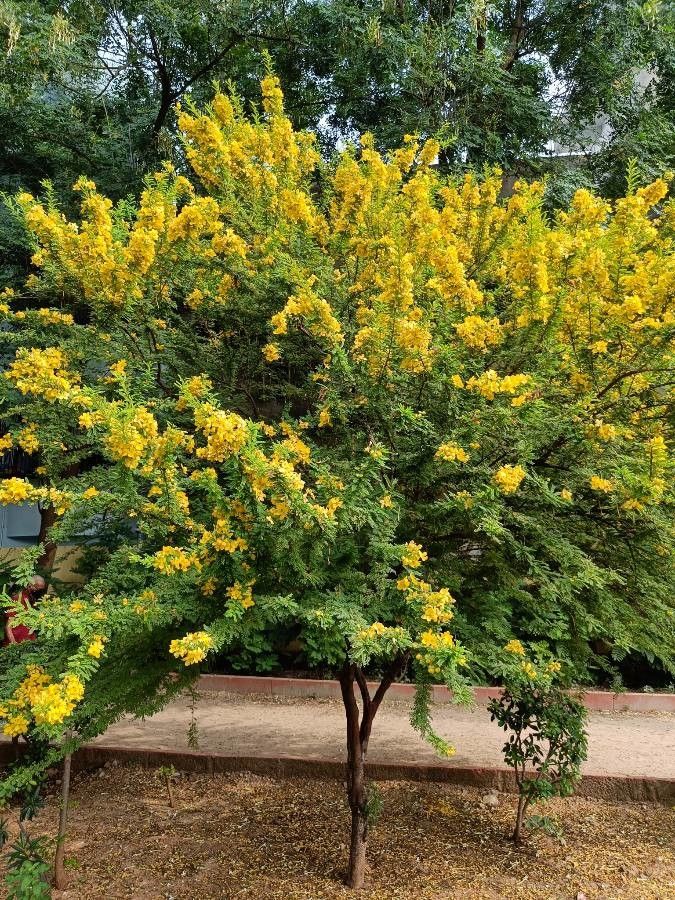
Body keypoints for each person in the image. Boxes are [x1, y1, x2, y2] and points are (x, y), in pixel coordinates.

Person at [3, 575, 46, 646]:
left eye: (41, 589)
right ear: (29, 584)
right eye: (36, 587)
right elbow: (8, 626)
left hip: (28, 642)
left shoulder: (30, 598)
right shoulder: (17, 599)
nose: (38, 591)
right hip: (15, 643)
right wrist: (14, 645)